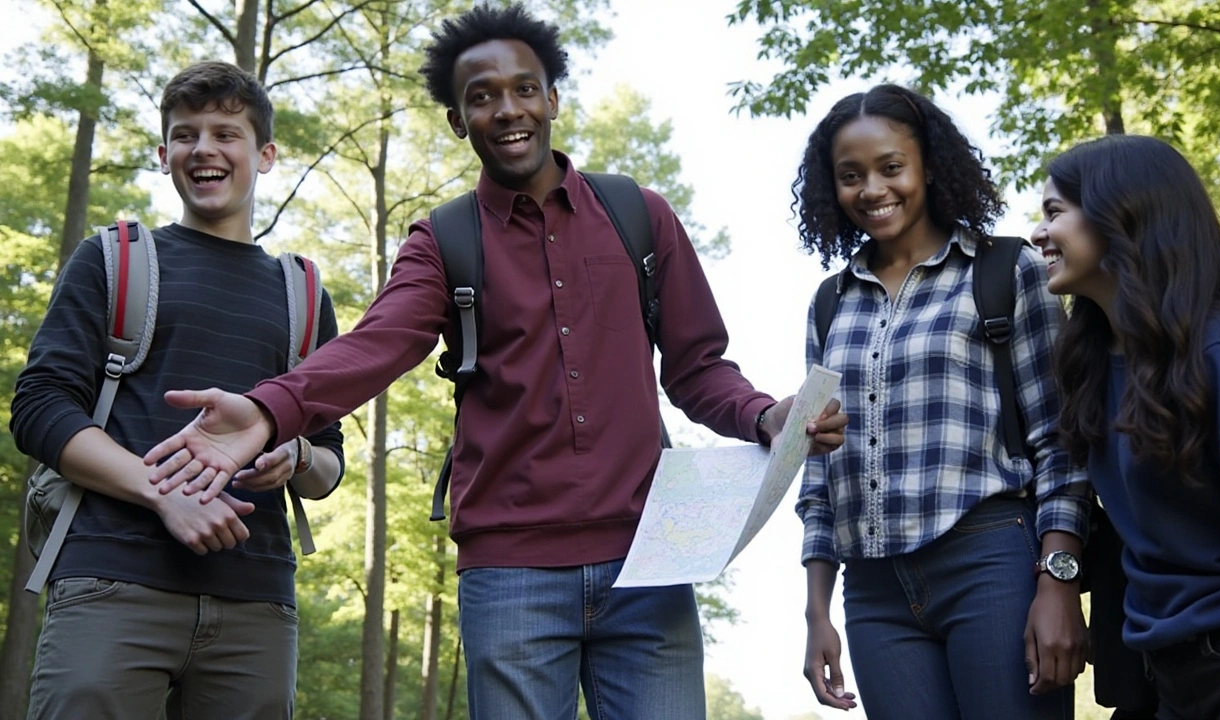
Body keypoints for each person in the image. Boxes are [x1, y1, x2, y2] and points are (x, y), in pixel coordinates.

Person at [139, 5, 847, 719]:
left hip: (650, 564)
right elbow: (377, 344)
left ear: (552, 100)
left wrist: (765, 416)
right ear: (458, 120)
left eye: (524, 89)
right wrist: (267, 411)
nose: (507, 109)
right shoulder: (443, 239)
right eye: (481, 96)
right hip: (510, 576)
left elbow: (698, 369)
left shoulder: (639, 214)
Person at [9, 61, 345, 720]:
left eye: (226, 133)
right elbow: (40, 407)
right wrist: (162, 493)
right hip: (110, 586)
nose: (204, 149)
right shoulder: (113, 259)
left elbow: (328, 463)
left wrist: (296, 456)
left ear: (265, 154)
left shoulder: (304, 294)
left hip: (258, 604)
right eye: (186, 135)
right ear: (164, 156)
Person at [792, 84, 1091, 719]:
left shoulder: (1009, 272)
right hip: (872, 592)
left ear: (927, 164)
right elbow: (817, 469)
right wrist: (818, 610)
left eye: (891, 167)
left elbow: (1062, 441)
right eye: (851, 176)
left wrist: (1058, 581)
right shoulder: (829, 304)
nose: (872, 190)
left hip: (991, 563)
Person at [1032, 133, 1220, 719]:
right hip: (1162, 676)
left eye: (1055, 212)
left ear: (1121, 212)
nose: (1039, 234)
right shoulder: (1094, 362)